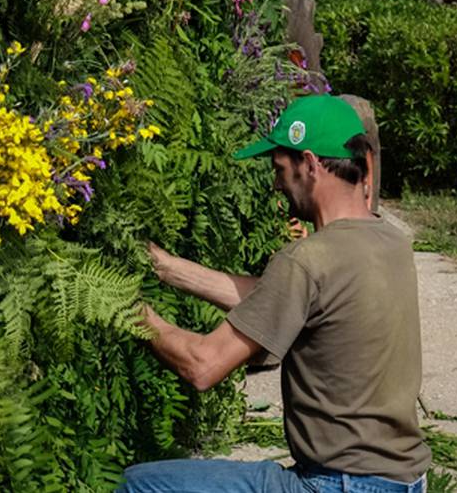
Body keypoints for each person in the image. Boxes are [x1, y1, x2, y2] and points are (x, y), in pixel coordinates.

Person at [119, 95, 431, 492]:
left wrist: (127, 307)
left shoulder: (308, 259)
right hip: (404, 483)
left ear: (310, 164)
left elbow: (201, 366)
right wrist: (167, 268)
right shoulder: (389, 242)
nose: (276, 183)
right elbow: (284, 299)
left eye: (280, 168)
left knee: (143, 485)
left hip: (338, 486)